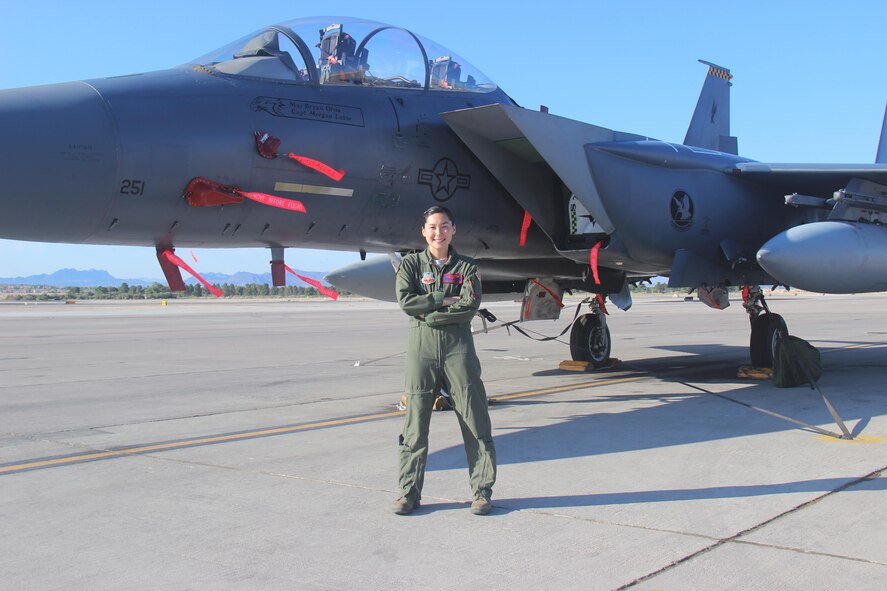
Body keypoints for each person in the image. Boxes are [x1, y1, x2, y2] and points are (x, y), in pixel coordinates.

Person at [392, 205, 497, 516]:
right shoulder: (411, 265)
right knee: (415, 425)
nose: (439, 232)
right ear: (424, 231)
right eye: (433, 227)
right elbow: (406, 301)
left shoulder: (467, 267)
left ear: (453, 229)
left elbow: (469, 305)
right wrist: (441, 299)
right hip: (421, 350)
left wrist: (429, 315)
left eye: (444, 226)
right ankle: (408, 493)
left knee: (475, 420)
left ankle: (482, 492)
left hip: (458, 349)